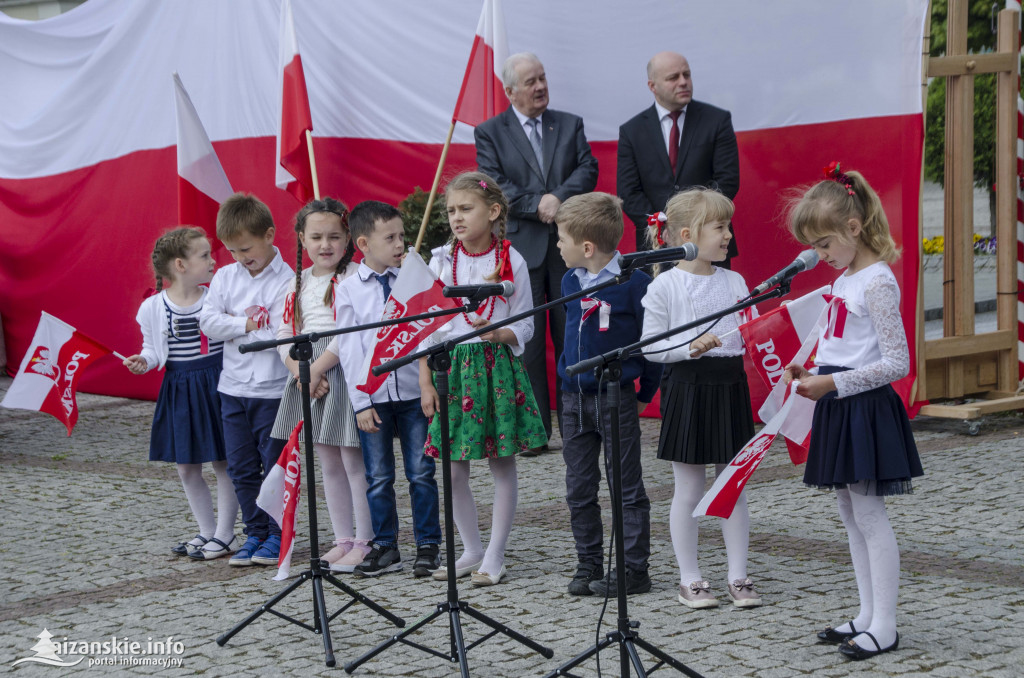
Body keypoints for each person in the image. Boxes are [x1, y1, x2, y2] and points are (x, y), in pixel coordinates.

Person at [784, 163, 922, 661]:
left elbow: (896, 362)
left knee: (869, 513)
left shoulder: (877, 282)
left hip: (863, 407)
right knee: (848, 511)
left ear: (853, 228)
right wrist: (809, 364)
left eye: (823, 244)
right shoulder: (845, 278)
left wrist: (832, 382)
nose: (818, 255)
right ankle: (865, 614)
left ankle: (885, 624)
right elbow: (838, 337)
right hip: (839, 404)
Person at [421, 171, 547, 586]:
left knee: (500, 460)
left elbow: (526, 324)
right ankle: (470, 547)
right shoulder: (440, 260)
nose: (457, 218)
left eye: (466, 209)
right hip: (451, 369)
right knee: (453, 466)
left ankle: (495, 553)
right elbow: (425, 326)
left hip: (494, 367)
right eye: (451, 210)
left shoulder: (512, 260)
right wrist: (426, 381)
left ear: (492, 212)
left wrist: (499, 333)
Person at [639, 188, 761, 609]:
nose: (728, 235)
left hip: (730, 388)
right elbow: (651, 349)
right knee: (689, 488)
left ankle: (738, 575)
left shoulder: (736, 281)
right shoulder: (665, 286)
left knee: (734, 485)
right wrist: (689, 347)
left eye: (728, 226)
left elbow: (752, 332)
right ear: (688, 234)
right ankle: (690, 578)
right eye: (720, 227)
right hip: (687, 388)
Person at [475, 52, 599, 452]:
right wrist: (537, 204)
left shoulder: (569, 123)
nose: (540, 86)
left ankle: (575, 426)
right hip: (522, 247)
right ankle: (533, 433)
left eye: (542, 78)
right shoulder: (491, 131)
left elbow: (587, 169)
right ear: (510, 91)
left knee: (571, 335)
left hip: (568, 247)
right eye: (530, 82)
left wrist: (558, 198)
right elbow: (494, 184)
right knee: (525, 340)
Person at [552, 192, 661, 596]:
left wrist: (643, 393)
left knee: (625, 486)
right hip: (573, 399)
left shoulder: (635, 283)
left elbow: (654, 347)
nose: (557, 247)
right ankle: (589, 563)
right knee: (579, 487)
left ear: (586, 246)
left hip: (616, 396)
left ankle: (634, 570)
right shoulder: (569, 280)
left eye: (560, 239)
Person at [334, 200, 441, 577]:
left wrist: (427, 384)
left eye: (402, 236)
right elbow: (349, 351)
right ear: (363, 244)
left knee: (421, 472)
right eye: (390, 237)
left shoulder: (412, 279)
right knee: (378, 477)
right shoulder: (348, 290)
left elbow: (428, 332)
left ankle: (428, 544)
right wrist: (361, 402)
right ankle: (385, 545)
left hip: (413, 393)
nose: (401, 244)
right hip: (374, 397)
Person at [268, 198, 372, 572]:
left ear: (348, 237)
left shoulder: (352, 278)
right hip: (307, 373)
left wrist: (317, 369)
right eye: (316, 237)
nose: (325, 244)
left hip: (341, 372)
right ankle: (342, 538)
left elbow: (350, 334)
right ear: (301, 239)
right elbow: (283, 331)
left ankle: (365, 539)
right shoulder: (295, 282)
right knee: (326, 461)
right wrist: (299, 370)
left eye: (333, 236)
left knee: (352, 460)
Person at [123, 227, 239, 560]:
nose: (213, 260)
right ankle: (205, 530)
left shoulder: (216, 298)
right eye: (204, 255)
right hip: (180, 388)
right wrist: (143, 361)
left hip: (218, 383)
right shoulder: (152, 308)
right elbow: (153, 351)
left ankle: (225, 533)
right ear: (180, 265)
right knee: (186, 466)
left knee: (224, 461)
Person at [199, 193, 294, 567]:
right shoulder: (224, 277)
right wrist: (246, 324)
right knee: (239, 467)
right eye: (233, 251)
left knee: (273, 466)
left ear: (269, 235)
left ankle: (277, 534)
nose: (240, 257)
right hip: (232, 389)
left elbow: (277, 335)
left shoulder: (287, 280)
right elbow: (208, 322)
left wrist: (241, 330)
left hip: (271, 390)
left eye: (246, 248)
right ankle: (254, 532)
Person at [617, 51, 740, 265]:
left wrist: (692, 224)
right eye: (673, 77)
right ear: (652, 86)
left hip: (708, 239)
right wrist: (663, 227)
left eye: (687, 75)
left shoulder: (716, 120)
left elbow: (727, 180)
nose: (683, 82)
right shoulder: (632, 131)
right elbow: (629, 192)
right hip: (657, 245)